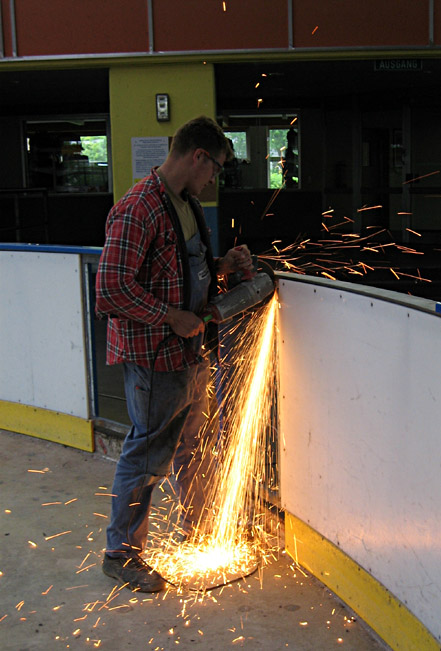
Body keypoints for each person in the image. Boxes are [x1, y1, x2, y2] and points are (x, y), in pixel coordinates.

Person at [95, 116, 254, 592]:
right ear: (198, 156)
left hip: (189, 354)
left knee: (189, 447)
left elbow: (185, 270)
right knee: (146, 455)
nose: (214, 180)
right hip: (155, 358)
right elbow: (109, 289)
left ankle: (201, 530)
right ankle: (120, 553)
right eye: (216, 169)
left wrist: (222, 266)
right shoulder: (138, 208)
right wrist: (169, 316)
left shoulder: (184, 204)